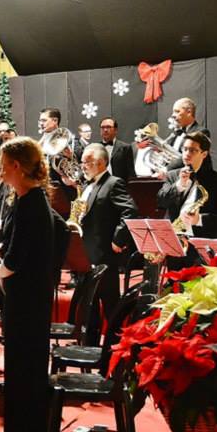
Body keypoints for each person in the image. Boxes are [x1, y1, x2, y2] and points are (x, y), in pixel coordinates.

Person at [0, 136, 55, 432]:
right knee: (22, 376)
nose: (1, 172)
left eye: (4, 166)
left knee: (24, 377)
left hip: (28, 305)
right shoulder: (29, 199)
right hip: (28, 301)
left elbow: (16, 257)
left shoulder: (31, 203)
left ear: (17, 166)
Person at [76, 143, 137, 344]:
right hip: (86, 253)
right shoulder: (87, 185)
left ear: (101, 162)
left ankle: (115, 348)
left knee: (110, 305)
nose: (83, 166)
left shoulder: (113, 183)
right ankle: (90, 346)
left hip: (104, 254)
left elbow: (130, 211)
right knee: (90, 306)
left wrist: (118, 239)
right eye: (82, 162)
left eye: (87, 162)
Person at [157, 132, 217, 241]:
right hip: (174, 237)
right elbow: (161, 202)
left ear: (204, 154)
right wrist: (179, 185)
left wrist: (199, 219)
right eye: (185, 149)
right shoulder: (172, 175)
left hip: (202, 238)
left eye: (193, 150)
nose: (187, 154)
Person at [98, 116, 136, 181]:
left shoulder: (125, 148)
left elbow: (131, 173)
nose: (105, 130)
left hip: (119, 185)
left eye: (108, 127)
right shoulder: (95, 148)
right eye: (103, 127)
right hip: (100, 185)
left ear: (115, 130)